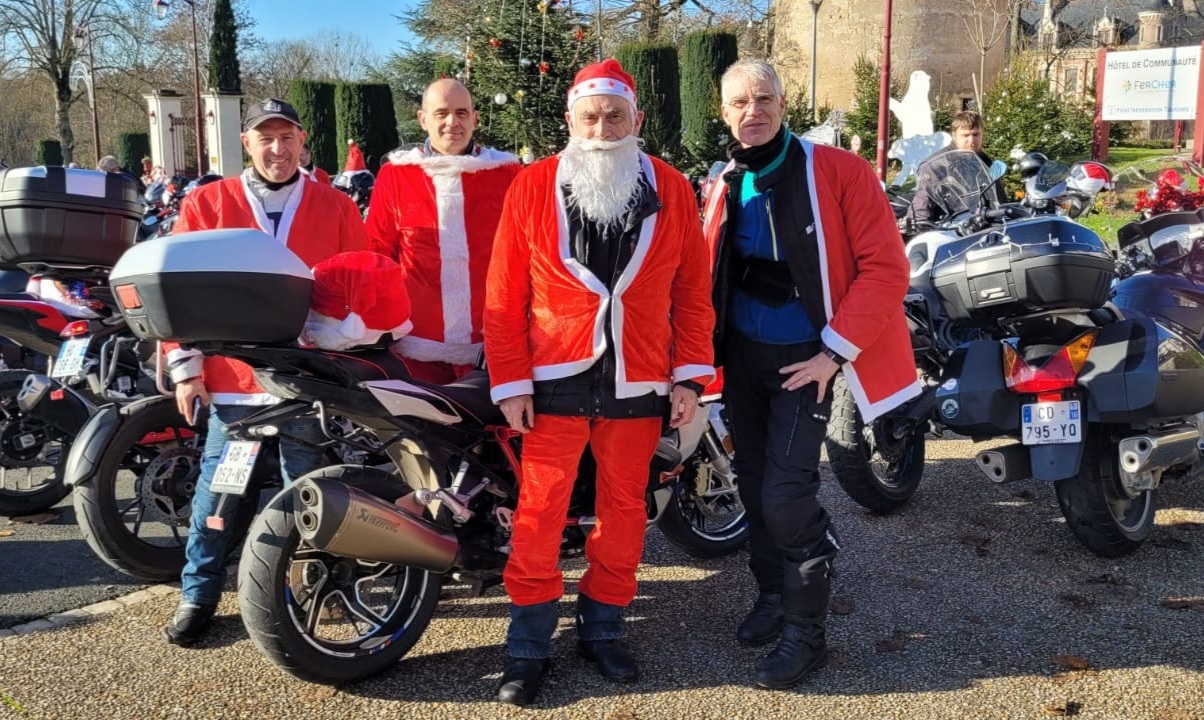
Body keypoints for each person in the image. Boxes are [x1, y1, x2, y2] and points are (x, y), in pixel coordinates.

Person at [484, 59, 715, 706]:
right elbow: (503, 293)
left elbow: (693, 294)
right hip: (553, 376)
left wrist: (690, 376)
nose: (603, 127)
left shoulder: (671, 187)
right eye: (591, 115)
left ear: (636, 120)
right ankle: (528, 645)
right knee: (539, 515)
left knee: (623, 514)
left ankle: (604, 627)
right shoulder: (532, 186)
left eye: (616, 115)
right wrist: (511, 381)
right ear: (570, 121)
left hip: (639, 376)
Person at [702, 59, 919, 689]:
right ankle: (773, 595)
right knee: (750, 485)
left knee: (787, 496)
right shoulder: (723, 182)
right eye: (740, 102)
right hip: (744, 358)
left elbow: (886, 269)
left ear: (784, 99)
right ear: (725, 113)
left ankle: (807, 633)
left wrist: (833, 354)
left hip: (809, 360)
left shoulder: (842, 171)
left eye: (764, 98)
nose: (753, 111)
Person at [160, 97, 367, 647]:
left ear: (302, 141)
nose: (277, 149)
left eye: (286, 137)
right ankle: (198, 593)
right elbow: (174, 292)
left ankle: (307, 587)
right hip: (235, 388)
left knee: (311, 493)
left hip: (307, 384)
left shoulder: (337, 207)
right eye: (265, 138)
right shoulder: (207, 203)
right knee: (218, 498)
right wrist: (186, 368)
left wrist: (346, 349)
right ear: (247, 144)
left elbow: (359, 287)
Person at [367, 78, 521, 384]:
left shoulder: (508, 175)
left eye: (462, 113)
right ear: (423, 119)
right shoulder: (396, 176)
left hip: (490, 345)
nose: (453, 122)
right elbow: (377, 254)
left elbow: (524, 257)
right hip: (416, 347)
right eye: (441, 113)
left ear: (475, 118)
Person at [911, 110, 1005, 224]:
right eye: (965, 135)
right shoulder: (936, 165)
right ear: (954, 135)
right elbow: (922, 205)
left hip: (982, 225)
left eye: (976, 134)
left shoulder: (984, 160)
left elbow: (999, 199)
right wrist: (921, 229)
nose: (971, 140)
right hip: (951, 229)